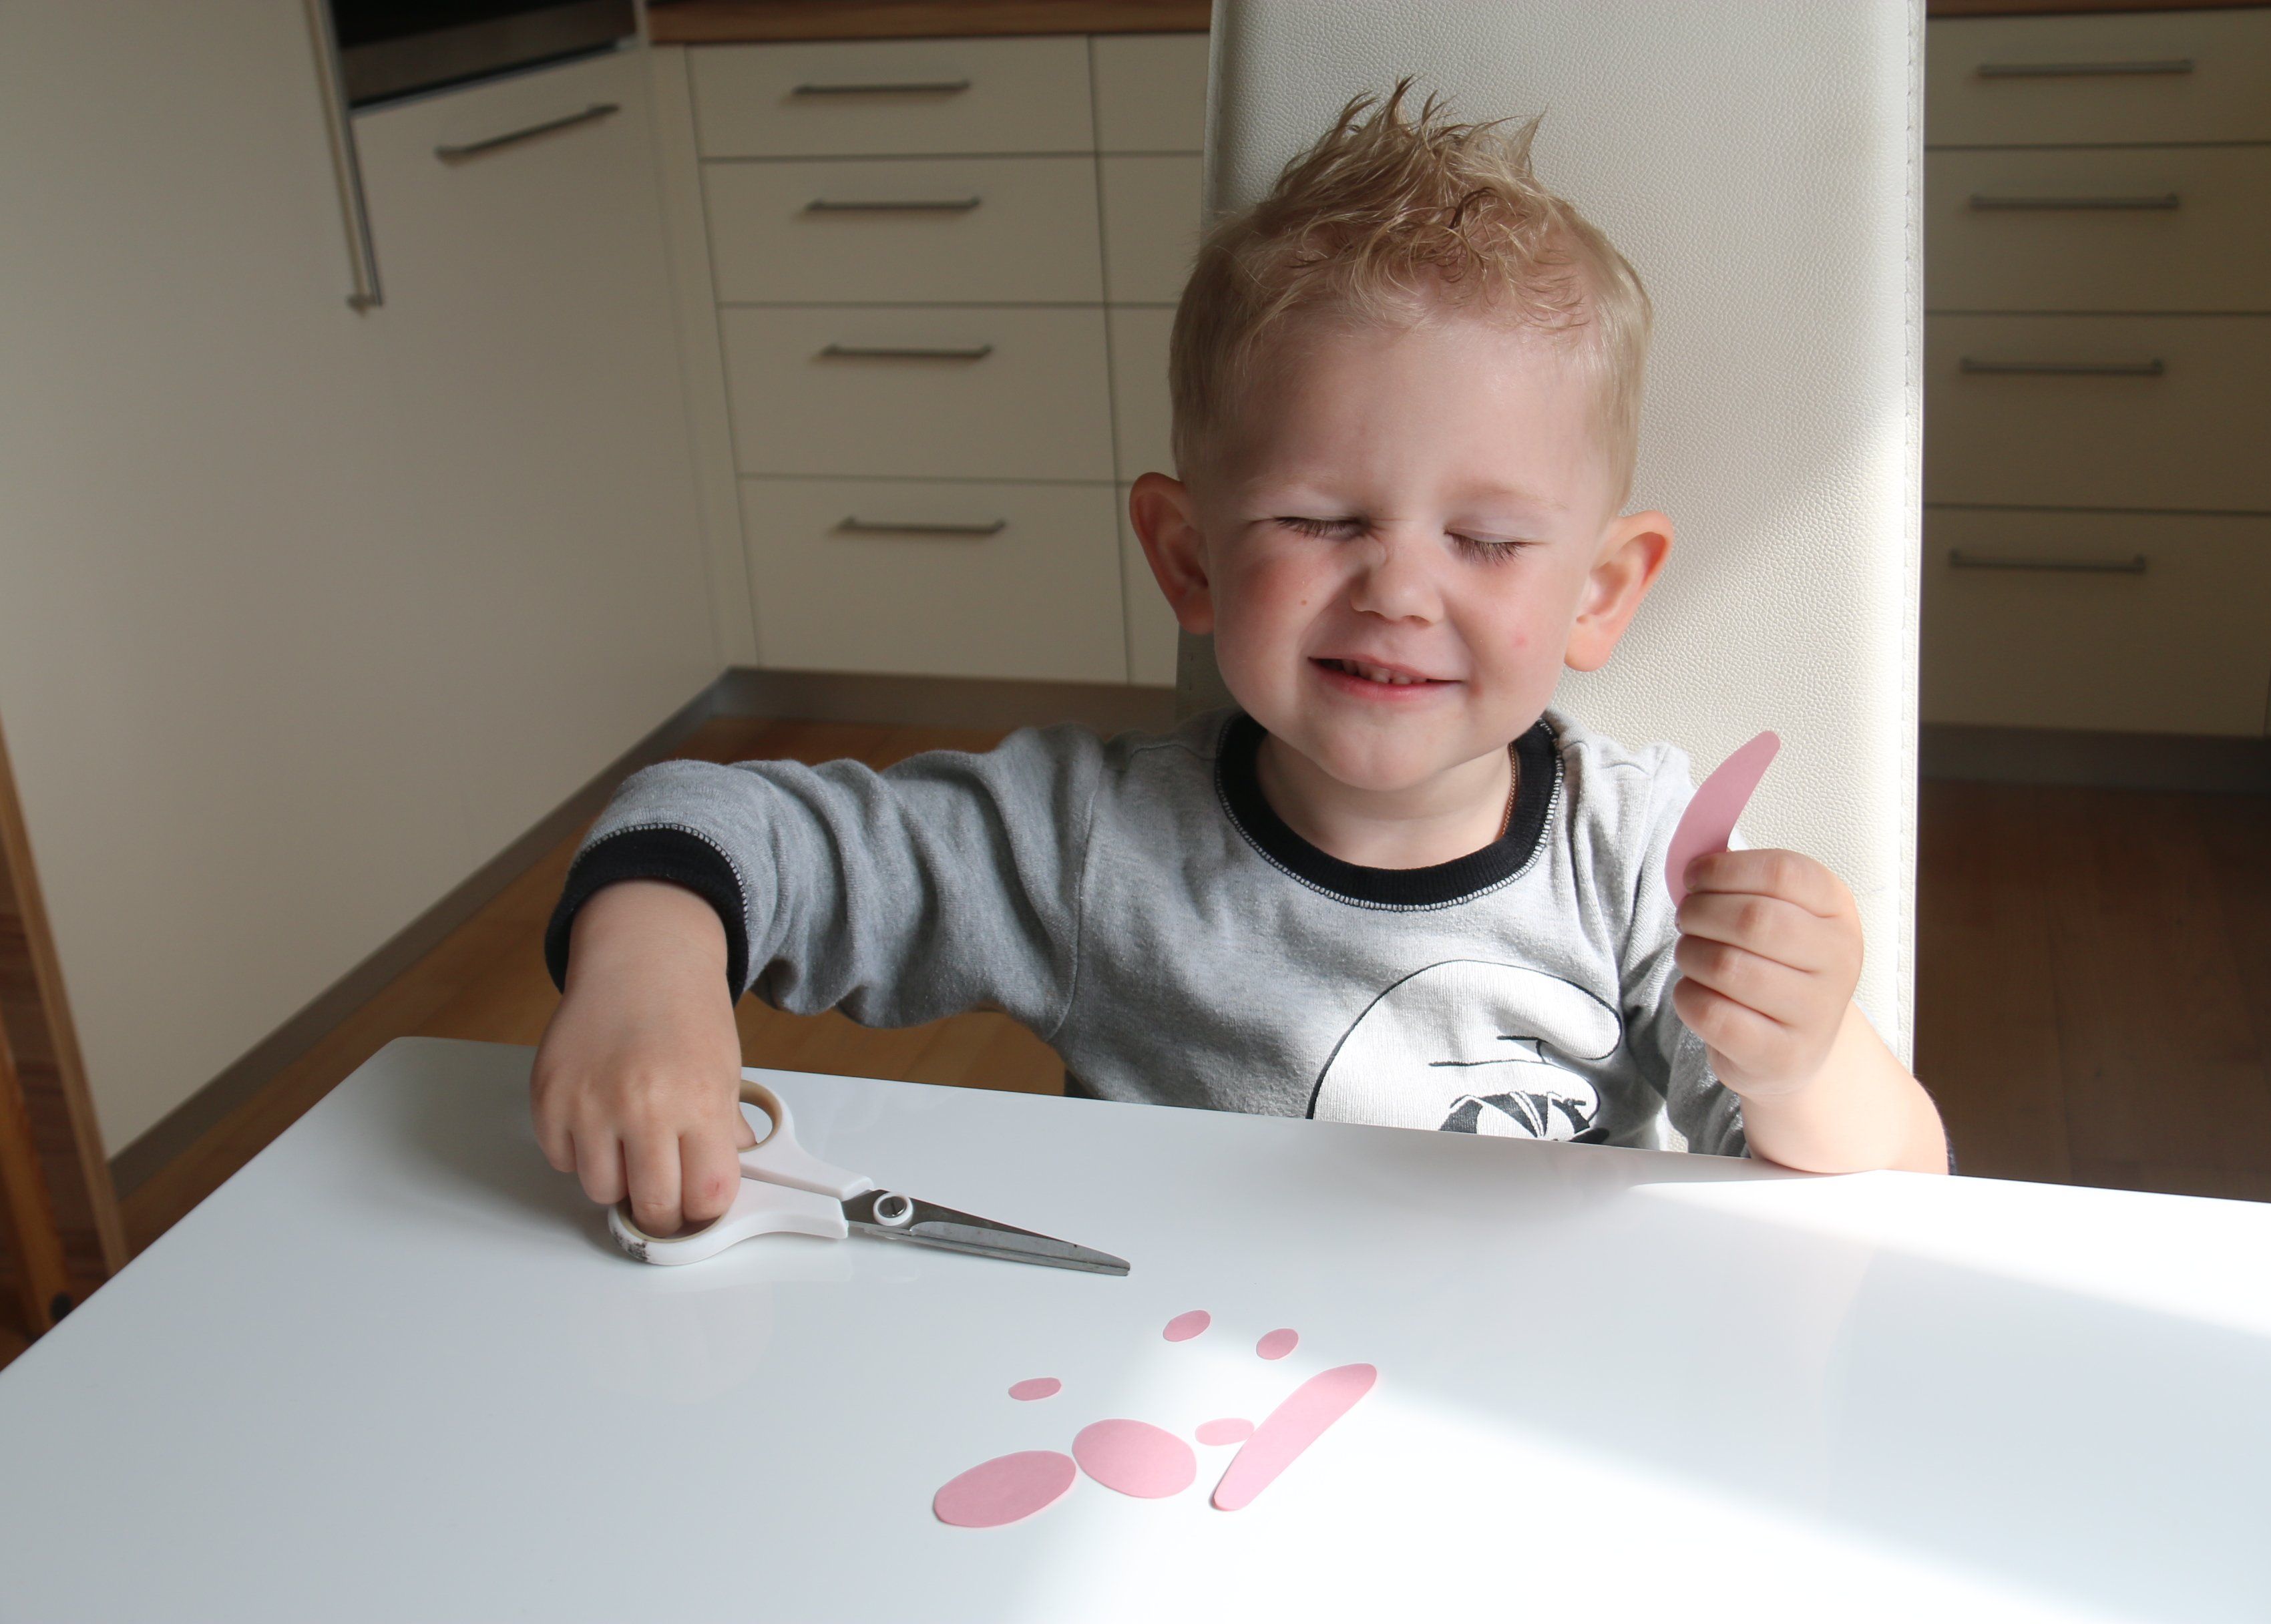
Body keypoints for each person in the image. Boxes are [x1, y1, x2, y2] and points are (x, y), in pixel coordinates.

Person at [531, 84, 1948, 1239]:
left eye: (1486, 539)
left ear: (1603, 591)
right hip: (1177, 1413)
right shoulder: (1088, 843)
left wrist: (1808, 1056)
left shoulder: (1638, 864)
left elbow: (1898, 1191)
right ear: (1190, 557)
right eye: (1321, 521)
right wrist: (650, 980)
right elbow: (713, 820)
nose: (1399, 589)